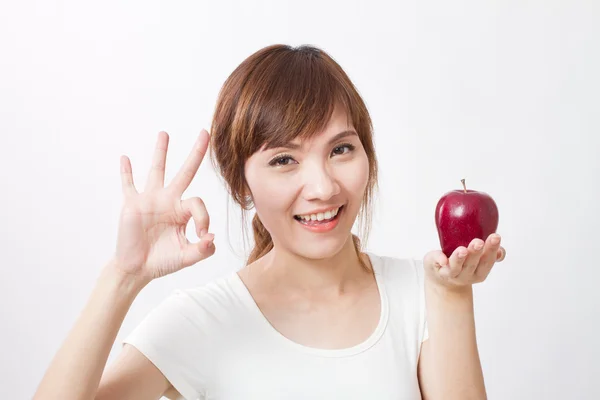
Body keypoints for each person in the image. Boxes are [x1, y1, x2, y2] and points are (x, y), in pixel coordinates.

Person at [33, 44, 506, 400]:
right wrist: (123, 277)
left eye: (341, 149)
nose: (322, 186)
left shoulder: (421, 292)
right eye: (284, 160)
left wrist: (452, 293)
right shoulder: (202, 320)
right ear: (242, 185)